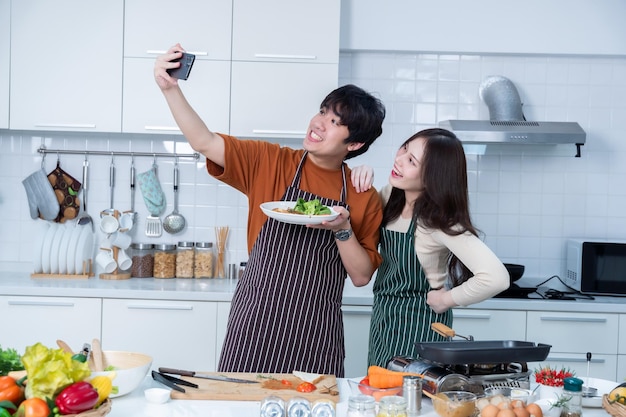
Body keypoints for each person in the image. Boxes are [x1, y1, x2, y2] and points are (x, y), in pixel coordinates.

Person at [154, 44, 386, 377]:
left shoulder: (364, 196)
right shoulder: (270, 161)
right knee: (239, 401)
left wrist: (341, 228)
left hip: (315, 330)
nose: (319, 123)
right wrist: (170, 89)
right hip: (255, 320)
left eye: (334, 121)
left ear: (354, 144)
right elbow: (203, 141)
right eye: (322, 111)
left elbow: (362, 276)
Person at [351, 128, 509, 367]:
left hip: (421, 328)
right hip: (384, 319)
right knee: (382, 396)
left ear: (432, 177)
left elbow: (497, 278)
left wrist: (447, 299)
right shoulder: (392, 196)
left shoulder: (438, 222)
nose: (399, 160)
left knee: (412, 399)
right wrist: (362, 173)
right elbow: (357, 210)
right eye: (404, 149)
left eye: (411, 161)